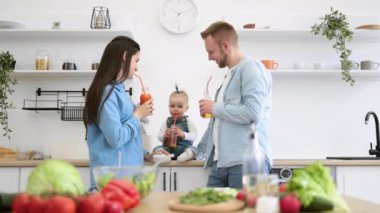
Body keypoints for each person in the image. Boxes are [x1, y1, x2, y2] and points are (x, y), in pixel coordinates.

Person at [83, 36, 169, 191]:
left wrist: (145, 154)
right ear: (124, 56)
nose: (136, 67)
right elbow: (116, 139)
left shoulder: (119, 91)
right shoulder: (106, 92)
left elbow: (125, 143)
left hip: (125, 182)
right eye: (136, 60)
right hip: (111, 184)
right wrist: (137, 115)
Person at [196, 21, 273, 189]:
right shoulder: (228, 77)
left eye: (211, 51)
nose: (209, 57)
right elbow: (216, 124)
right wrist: (194, 151)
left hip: (246, 164)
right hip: (221, 165)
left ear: (225, 46)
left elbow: (253, 114)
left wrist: (214, 107)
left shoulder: (251, 69)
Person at [152, 86, 198, 163]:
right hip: (169, 150)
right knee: (157, 148)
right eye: (172, 106)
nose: (175, 109)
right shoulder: (167, 121)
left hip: (184, 150)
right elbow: (159, 137)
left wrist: (183, 134)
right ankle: (163, 156)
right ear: (169, 107)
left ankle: (187, 155)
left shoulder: (187, 121)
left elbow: (194, 135)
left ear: (186, 108)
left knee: (194, 149)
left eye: (180, 106)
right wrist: (164, 136)